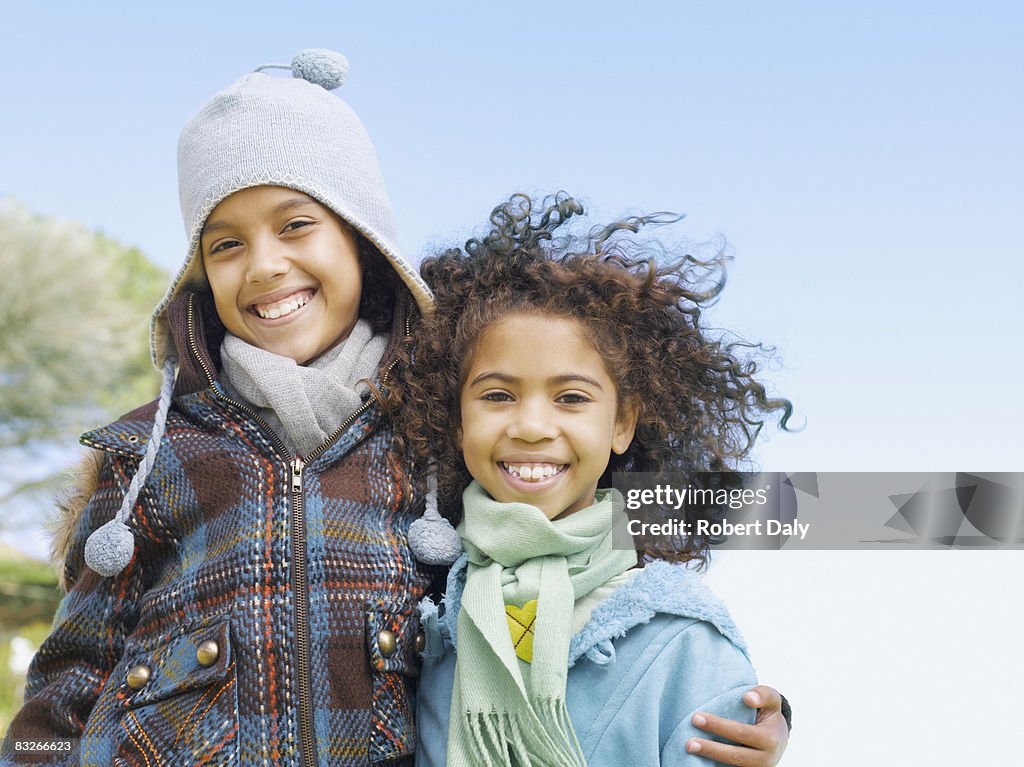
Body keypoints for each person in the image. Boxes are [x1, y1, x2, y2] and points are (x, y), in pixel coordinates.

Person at [1, 53, 789, 767]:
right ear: (199, 273)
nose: (266, 265)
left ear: (361, 238)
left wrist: (753, 705)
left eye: (297, 224)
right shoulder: (151, 453)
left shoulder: (437, 430)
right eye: (225, 244)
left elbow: (633, 517)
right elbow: (64, 680)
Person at [390, 193, 793, 766]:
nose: (532, 426)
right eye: (498, 396)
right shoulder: (429, 614)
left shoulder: (680, 637)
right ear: (457, 422)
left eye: (571, 397)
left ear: (622, 422)